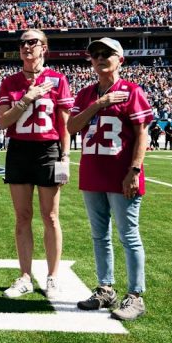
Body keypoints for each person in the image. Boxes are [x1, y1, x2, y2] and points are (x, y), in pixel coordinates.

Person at [67, 37, 152, 321]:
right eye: (95, 54)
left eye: (107, 54)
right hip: (92, 173)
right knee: (99, 236)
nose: (100, 58)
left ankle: (136, 295)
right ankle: (105, 289)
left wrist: (135, 170)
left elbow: (142, 133)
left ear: (120, 59)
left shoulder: (132, 91)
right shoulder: (85, 94)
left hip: (121, 174)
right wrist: (100, 103)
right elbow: (72, 126)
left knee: (129, 235)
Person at [0, 29, 73, 301]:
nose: (26, 47)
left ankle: (52, 276)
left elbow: (64, 123)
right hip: (19, 148)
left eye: (33, 42)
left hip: (47, 149)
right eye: (22, 43)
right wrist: (27, 98)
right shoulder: (10, 82)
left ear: (44, 48)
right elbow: (3, 121)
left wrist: (65, 156)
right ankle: (26, 275)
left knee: (51, 216)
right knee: (22, 217)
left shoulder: (58, 79)